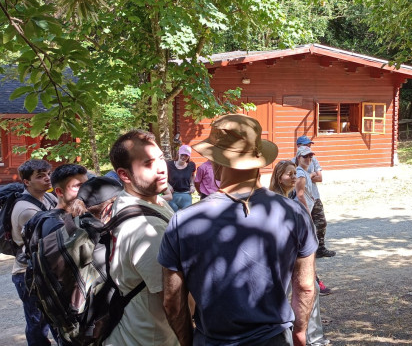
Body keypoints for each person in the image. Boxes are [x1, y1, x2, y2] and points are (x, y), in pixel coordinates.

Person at [159, 114, 317, 346]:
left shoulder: (183, 221)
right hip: (273, 339)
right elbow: (304, 286)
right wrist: (300, 333)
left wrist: (187, 341)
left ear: (216, 161)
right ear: (259, 158)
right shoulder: (293, 213)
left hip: (212, 340)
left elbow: (172, 300)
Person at [104, 130, 178, 346]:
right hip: (149, 338)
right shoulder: (145, 227)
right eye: (147, 163)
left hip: (134, 329)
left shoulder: (147, 201)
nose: (161, 168)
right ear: (125, 175)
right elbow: (173, 299)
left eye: (161, 159)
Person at [269, 160, 331, 346]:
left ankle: (314, 337)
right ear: (279, 177)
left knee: (312, 290)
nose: (294, 177)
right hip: (282, 259)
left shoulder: (292, 197)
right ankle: (286, 336)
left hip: (297, 257)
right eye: (289, 174)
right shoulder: (274, 201)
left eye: (295, 174)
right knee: (282, 296)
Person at [10, 159, 60, 346]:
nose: (48, 179)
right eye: (40, 176)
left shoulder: (46, 197)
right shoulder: (27, 210)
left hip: (42, 269)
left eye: (48, 174)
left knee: (54, 319)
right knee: (38, 324)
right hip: (28, 275)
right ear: (26, 182)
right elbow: (53, 241)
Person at [295, 147, 333, 297]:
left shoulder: (303, 172)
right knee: (307, 251)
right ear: (298, 157)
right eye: (305, 156)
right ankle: (314, 284)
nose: (308, 159)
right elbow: (299, 195)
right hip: (302, 216)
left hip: (302, 215)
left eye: (310, 156)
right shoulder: (299, 173)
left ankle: (314, 283)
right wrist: (307, 214)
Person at [296, 136, 335, 258]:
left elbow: (320, 178)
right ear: (298, 146)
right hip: (303, 198)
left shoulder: (313, 160)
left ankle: (320, 248)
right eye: (305, 145)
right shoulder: (293, 162)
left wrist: (309, 175)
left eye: (309, 145)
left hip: (314, 196)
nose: (308, 147)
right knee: (303, 225)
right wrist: (310, 175)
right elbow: (296, 182)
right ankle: (303, 251)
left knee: (321, 223)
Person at [167, 144, 196, 211]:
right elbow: (163, 177)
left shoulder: (191, 165)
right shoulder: (169, 164)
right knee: (172, 217)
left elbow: (192, 175)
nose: (183, 157)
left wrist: (192, 185)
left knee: (186, 218)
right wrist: (168, 185)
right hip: (172, 195)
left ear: (189, 156)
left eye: (186, 155)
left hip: (186, 195)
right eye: (182, 154)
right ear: (178, 153)